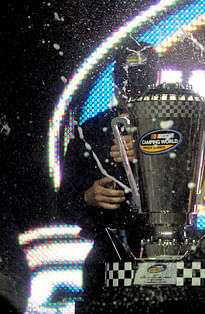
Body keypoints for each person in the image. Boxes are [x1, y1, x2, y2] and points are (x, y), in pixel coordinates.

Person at [56, 38, 159, 300]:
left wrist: (150, 150)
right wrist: (88, 197)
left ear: (156, 80)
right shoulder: (89, 132)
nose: (133, 89)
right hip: (107, 256)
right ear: (115, 83)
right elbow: (63, 206)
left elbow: (196, 190)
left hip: (165, 252)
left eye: (141, 82)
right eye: (127, 81)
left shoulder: (175, 128)